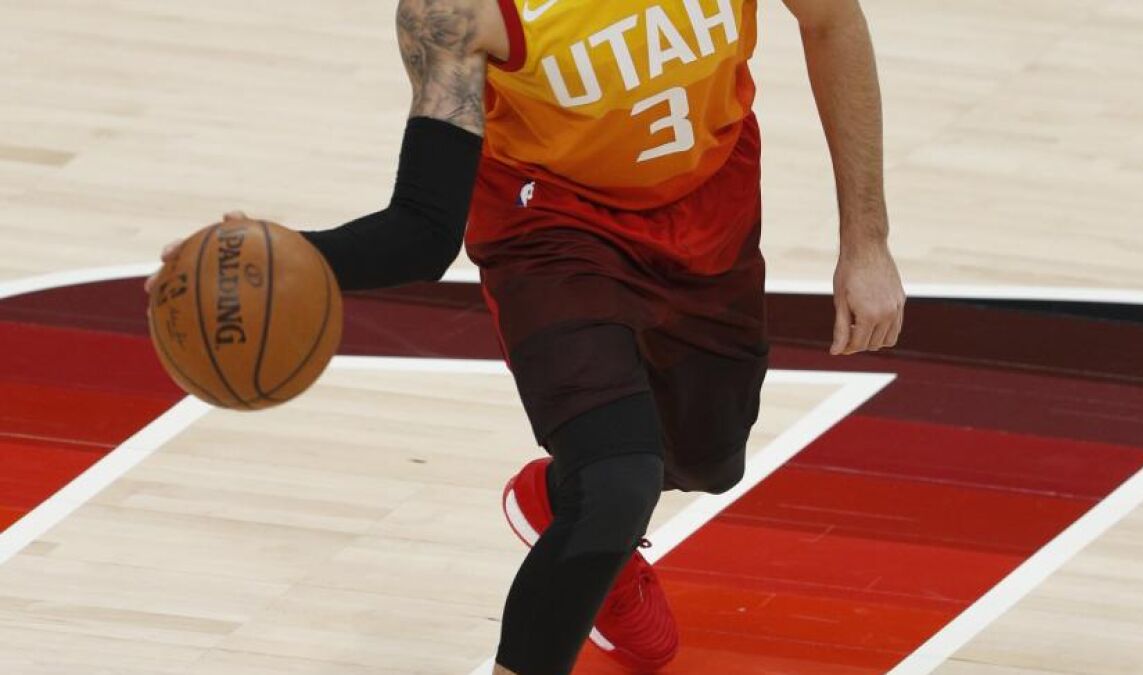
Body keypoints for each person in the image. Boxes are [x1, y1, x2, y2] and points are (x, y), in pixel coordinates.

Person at [148, 0, 904, 672]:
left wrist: (866, 242)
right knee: (617, 484)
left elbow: (831, 21)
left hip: (709, 205)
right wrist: (284, 257)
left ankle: (559, 501)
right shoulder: (455, 11)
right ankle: (590, 512)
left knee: (707, 462)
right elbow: (422, 230)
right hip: (550, 224)